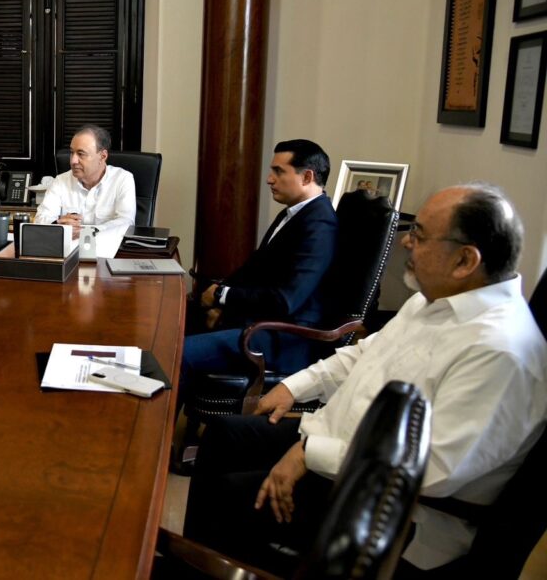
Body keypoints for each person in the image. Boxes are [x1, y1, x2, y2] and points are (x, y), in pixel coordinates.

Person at [183, 184, 547, 576]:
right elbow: (364, 352)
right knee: (222, 434)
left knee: (230, 498)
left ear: (464, 260)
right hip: (339, 444)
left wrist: (309, 454)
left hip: (392, 507)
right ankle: (196, 565)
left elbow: (431, 470)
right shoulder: (434, 298)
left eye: (420, 235)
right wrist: (295, 386)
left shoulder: (499, 350)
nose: (407, 242)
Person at [180, 140, 338, 399]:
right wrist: (219, 302)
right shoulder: (294, 214)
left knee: (178, 353)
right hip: (260, 322)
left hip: (282, 338)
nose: (269, 179)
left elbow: (286, 301)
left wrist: (222, 297)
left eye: (278, 171)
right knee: (169, 326)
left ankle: (158, 437)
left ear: (307, 176)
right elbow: (252, 271)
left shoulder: (320, 226)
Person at [33, 126, 136, 240]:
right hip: (68, 250)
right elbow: (40, 219)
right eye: (72, 153)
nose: (73, 160)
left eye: (81, 154)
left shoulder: (122, 179)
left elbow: (126, 222)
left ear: (102, 156)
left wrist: (88, 233)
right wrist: (58, 225)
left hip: (107, 250)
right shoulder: (61, 181)